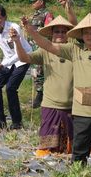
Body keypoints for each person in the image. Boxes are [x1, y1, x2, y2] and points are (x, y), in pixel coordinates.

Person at [23, 13, 91, 172]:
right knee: (79, 145)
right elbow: (48, 46)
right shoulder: (74, 49)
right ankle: (79, 173)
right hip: (80, 110)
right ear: (82, 35)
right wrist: (31, 31)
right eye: (86, 32)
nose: (90, 36)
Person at [12, 16, 74, 158]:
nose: (60, 34)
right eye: (56, 31)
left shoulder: (73, 49)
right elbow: (24, 58)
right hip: (51, 102)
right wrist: (17, 42)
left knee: (72, 146)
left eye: (63, 32)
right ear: (51, 34)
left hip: (72, 103)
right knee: (47, 146)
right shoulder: (45, 51)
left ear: (68, 35)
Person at [29, 0, 54, 109]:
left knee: (40, 72)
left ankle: (41, 95)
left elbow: (48, 31)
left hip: (41, 47)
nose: (32, 3)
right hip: (33, 47)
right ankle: (38, 93)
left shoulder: (47, 14)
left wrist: (37, 32)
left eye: (34, 1)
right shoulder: (35, 15)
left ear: (41, 2)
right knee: (35, 71)